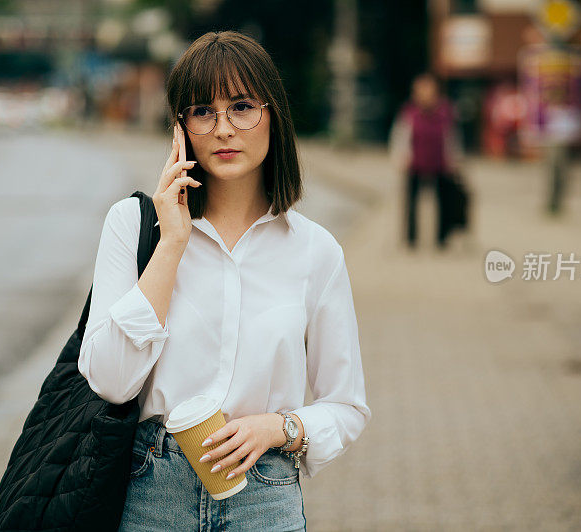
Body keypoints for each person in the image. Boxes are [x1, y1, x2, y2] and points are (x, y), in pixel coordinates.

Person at [78, 31, 371, 531]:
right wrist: (171, 242)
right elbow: (110, 381)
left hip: (265, 497)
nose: (223, 129)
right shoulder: (133, 226)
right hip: (152, 493)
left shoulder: (315, 251)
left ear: (272, 114)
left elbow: (346, 407)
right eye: (201, 111)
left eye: (241, 106)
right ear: (181, 128)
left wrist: (282, 427)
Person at [389, 72, 460, 249]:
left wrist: (455, 158)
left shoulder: (445, 112)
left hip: (440, 163)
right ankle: (411, 238)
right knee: (411, 203)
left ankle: (442, 239)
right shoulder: (409, 112)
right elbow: (400, 136)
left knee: (443, 202)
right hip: (415, 163)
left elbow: (452, 137)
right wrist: (399, 156)